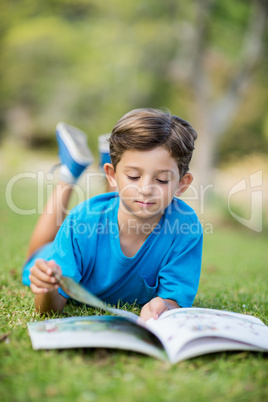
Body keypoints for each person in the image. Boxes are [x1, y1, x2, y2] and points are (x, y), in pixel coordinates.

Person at [22, 108, 203, 320]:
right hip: (61, 254)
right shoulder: (82, 221)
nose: (146, 188)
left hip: (102, 225)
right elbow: (49, 309)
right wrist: (48, 287)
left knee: (126, 201)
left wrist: (163, 305)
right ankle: (69, 171)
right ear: (113, 176)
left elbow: (174, 299)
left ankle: (109, 164)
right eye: (134, 176)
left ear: (182, 184)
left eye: (162, 180)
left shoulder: (185, 227)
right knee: (35, 255)